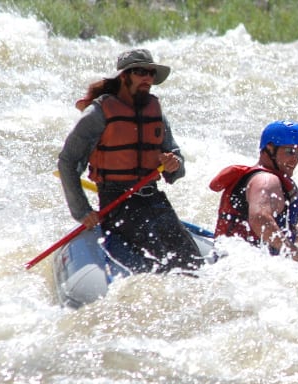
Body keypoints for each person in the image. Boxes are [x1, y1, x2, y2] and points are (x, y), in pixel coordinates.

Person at [57, 48, 203, 273]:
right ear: (124, 76)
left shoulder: (155, 112)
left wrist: (175, 164)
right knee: (164, 260)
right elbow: (67, 162)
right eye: (140, 72)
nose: (147, 78)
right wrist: (82, 211)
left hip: (154, 199)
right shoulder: (98, 113)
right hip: (117, 203)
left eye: (151, 73)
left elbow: (177, 160)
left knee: (191, 260)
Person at [208, 120, 298, 265]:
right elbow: (260, 219)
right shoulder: (266, 180)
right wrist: (294, 252)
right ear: (270, 148)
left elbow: (279, 232)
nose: (295, 159)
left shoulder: (266, 179)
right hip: (240, 263)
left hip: (244, 260)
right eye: (290, 151)